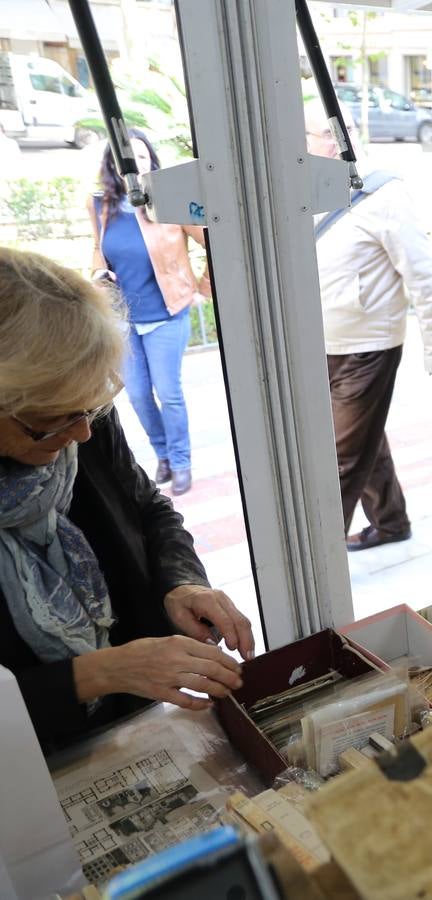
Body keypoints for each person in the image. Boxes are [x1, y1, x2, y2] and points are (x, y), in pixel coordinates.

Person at [0, 248, 254, 749]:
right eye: (51, 422)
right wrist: (96, 673)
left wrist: (180, 582)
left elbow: (145, 505)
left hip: (130, 718)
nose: (82, 435)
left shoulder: (78, 409)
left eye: (92, 411)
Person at [304, 102, 432, 552]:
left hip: (368, 346)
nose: (337, 140)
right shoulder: (308, 191)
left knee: (340, 457)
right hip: (323, 344)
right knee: (363, 439)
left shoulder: (384, 193)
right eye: (325, 135)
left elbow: (422, 272)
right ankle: (391, 521)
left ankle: (318, 560)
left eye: (345, 129)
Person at [87, 129, 209, 497]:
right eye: (125, 158)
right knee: (138, 395)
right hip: (124, 319)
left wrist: (202, 291)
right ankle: (163, 456)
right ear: (112, 163)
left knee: (168, 393)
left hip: (167, 316)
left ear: (152, 162)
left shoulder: (172, 202)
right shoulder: (100, 204)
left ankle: (182, 460)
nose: (133, 165)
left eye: (141, 157)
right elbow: (98, 248)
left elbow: (215, 240)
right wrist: (97, 274)